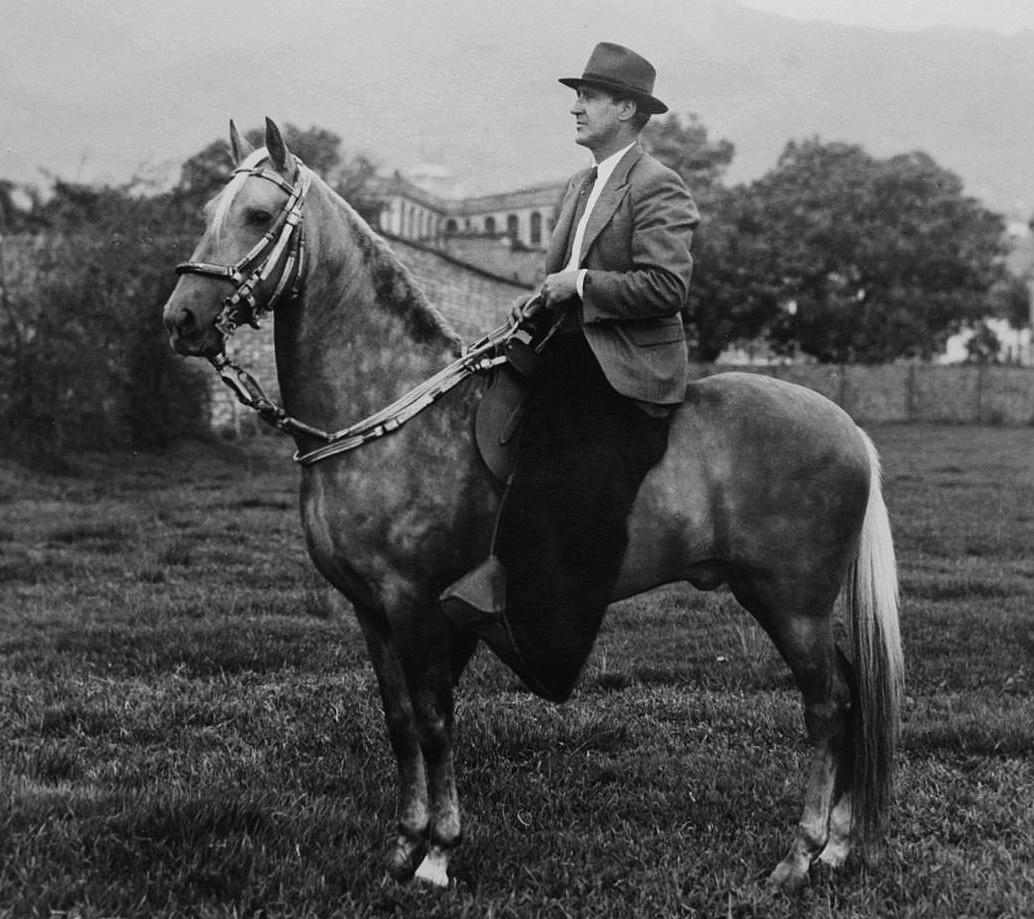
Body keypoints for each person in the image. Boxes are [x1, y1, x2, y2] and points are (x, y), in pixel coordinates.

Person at [441, 41, 700, 702]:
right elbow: (555, 281)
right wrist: (537, 302)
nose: (576, 108)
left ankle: (544, 641)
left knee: (567, 453)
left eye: (589, 96)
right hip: (565, 349)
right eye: (578, 96)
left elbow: (666, 286)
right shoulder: (579, 186)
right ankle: (486, 575)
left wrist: (579, 284)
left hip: (627, 367)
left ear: (628, 109)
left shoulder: (657, 184)